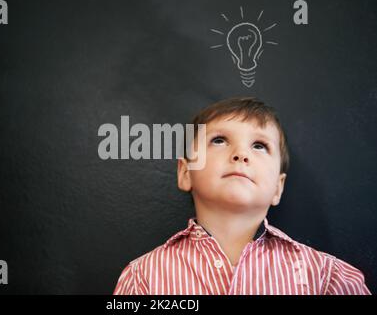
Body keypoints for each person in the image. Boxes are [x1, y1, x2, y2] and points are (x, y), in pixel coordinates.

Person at [113, 97, 371, 295]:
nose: (241, 154)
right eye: (219, 140)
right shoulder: (143, 279)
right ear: (185, 173)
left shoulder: (328, 279)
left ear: (278, 188)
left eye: (259, 145)